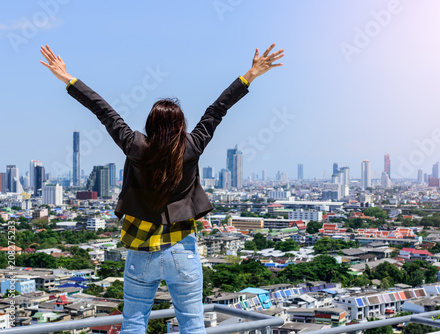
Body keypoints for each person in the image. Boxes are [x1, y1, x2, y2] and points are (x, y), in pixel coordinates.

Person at [40, 43, 284, 334]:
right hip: (182, 250)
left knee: (133, 322)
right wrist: (251, 74)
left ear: (151, 124)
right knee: (193, 324)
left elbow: (103, 110)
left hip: (142, 251)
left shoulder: (136, 146)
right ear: (181, 125)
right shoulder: (191, 147)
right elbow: (217, 110)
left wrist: (68, 78)